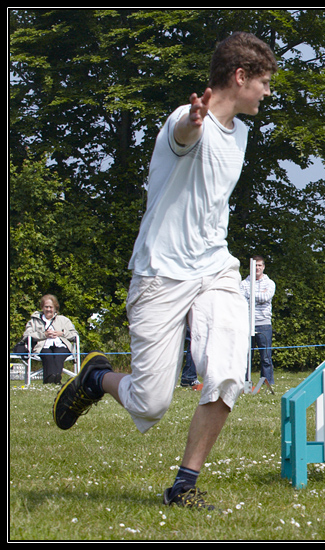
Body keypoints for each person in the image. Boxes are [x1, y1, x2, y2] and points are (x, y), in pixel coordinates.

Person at [52, 32, 278, 511]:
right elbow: (184, 135)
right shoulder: (184, 117)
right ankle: (96, 379)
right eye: (263, 82)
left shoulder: (241, 133)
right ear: (240, 77)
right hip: (161, 271)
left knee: (226, 372)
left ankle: (184, 485)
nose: (267, 91)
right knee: (150, 403)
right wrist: (195, 123)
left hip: (214, 266)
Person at [23, 294, 78, 385]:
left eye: (51, 307)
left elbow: (75, 335)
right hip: (42, 346)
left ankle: (52, 379)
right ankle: (53, 379)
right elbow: (27, 335)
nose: (48, 309)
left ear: (55, 308)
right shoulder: (34, 320)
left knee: (58, 355)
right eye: (46, 307)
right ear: (42, 307)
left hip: (61, 345)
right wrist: (44, 334)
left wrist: (62, 333)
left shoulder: (64, 320)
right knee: (48, 355)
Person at [240, 255, 276, 384]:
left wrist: (250, 294)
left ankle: (267, 383)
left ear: (263, 267)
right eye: (255, 265)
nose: (257, 268)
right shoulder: (244, 283)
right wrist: (257, 296)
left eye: (260, 265)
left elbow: (266, 297)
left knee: (266, 357)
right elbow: (241, 300)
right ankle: (243, 383)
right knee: (246, 356)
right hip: (247, 323)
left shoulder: (270, 283)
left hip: (264, 324)